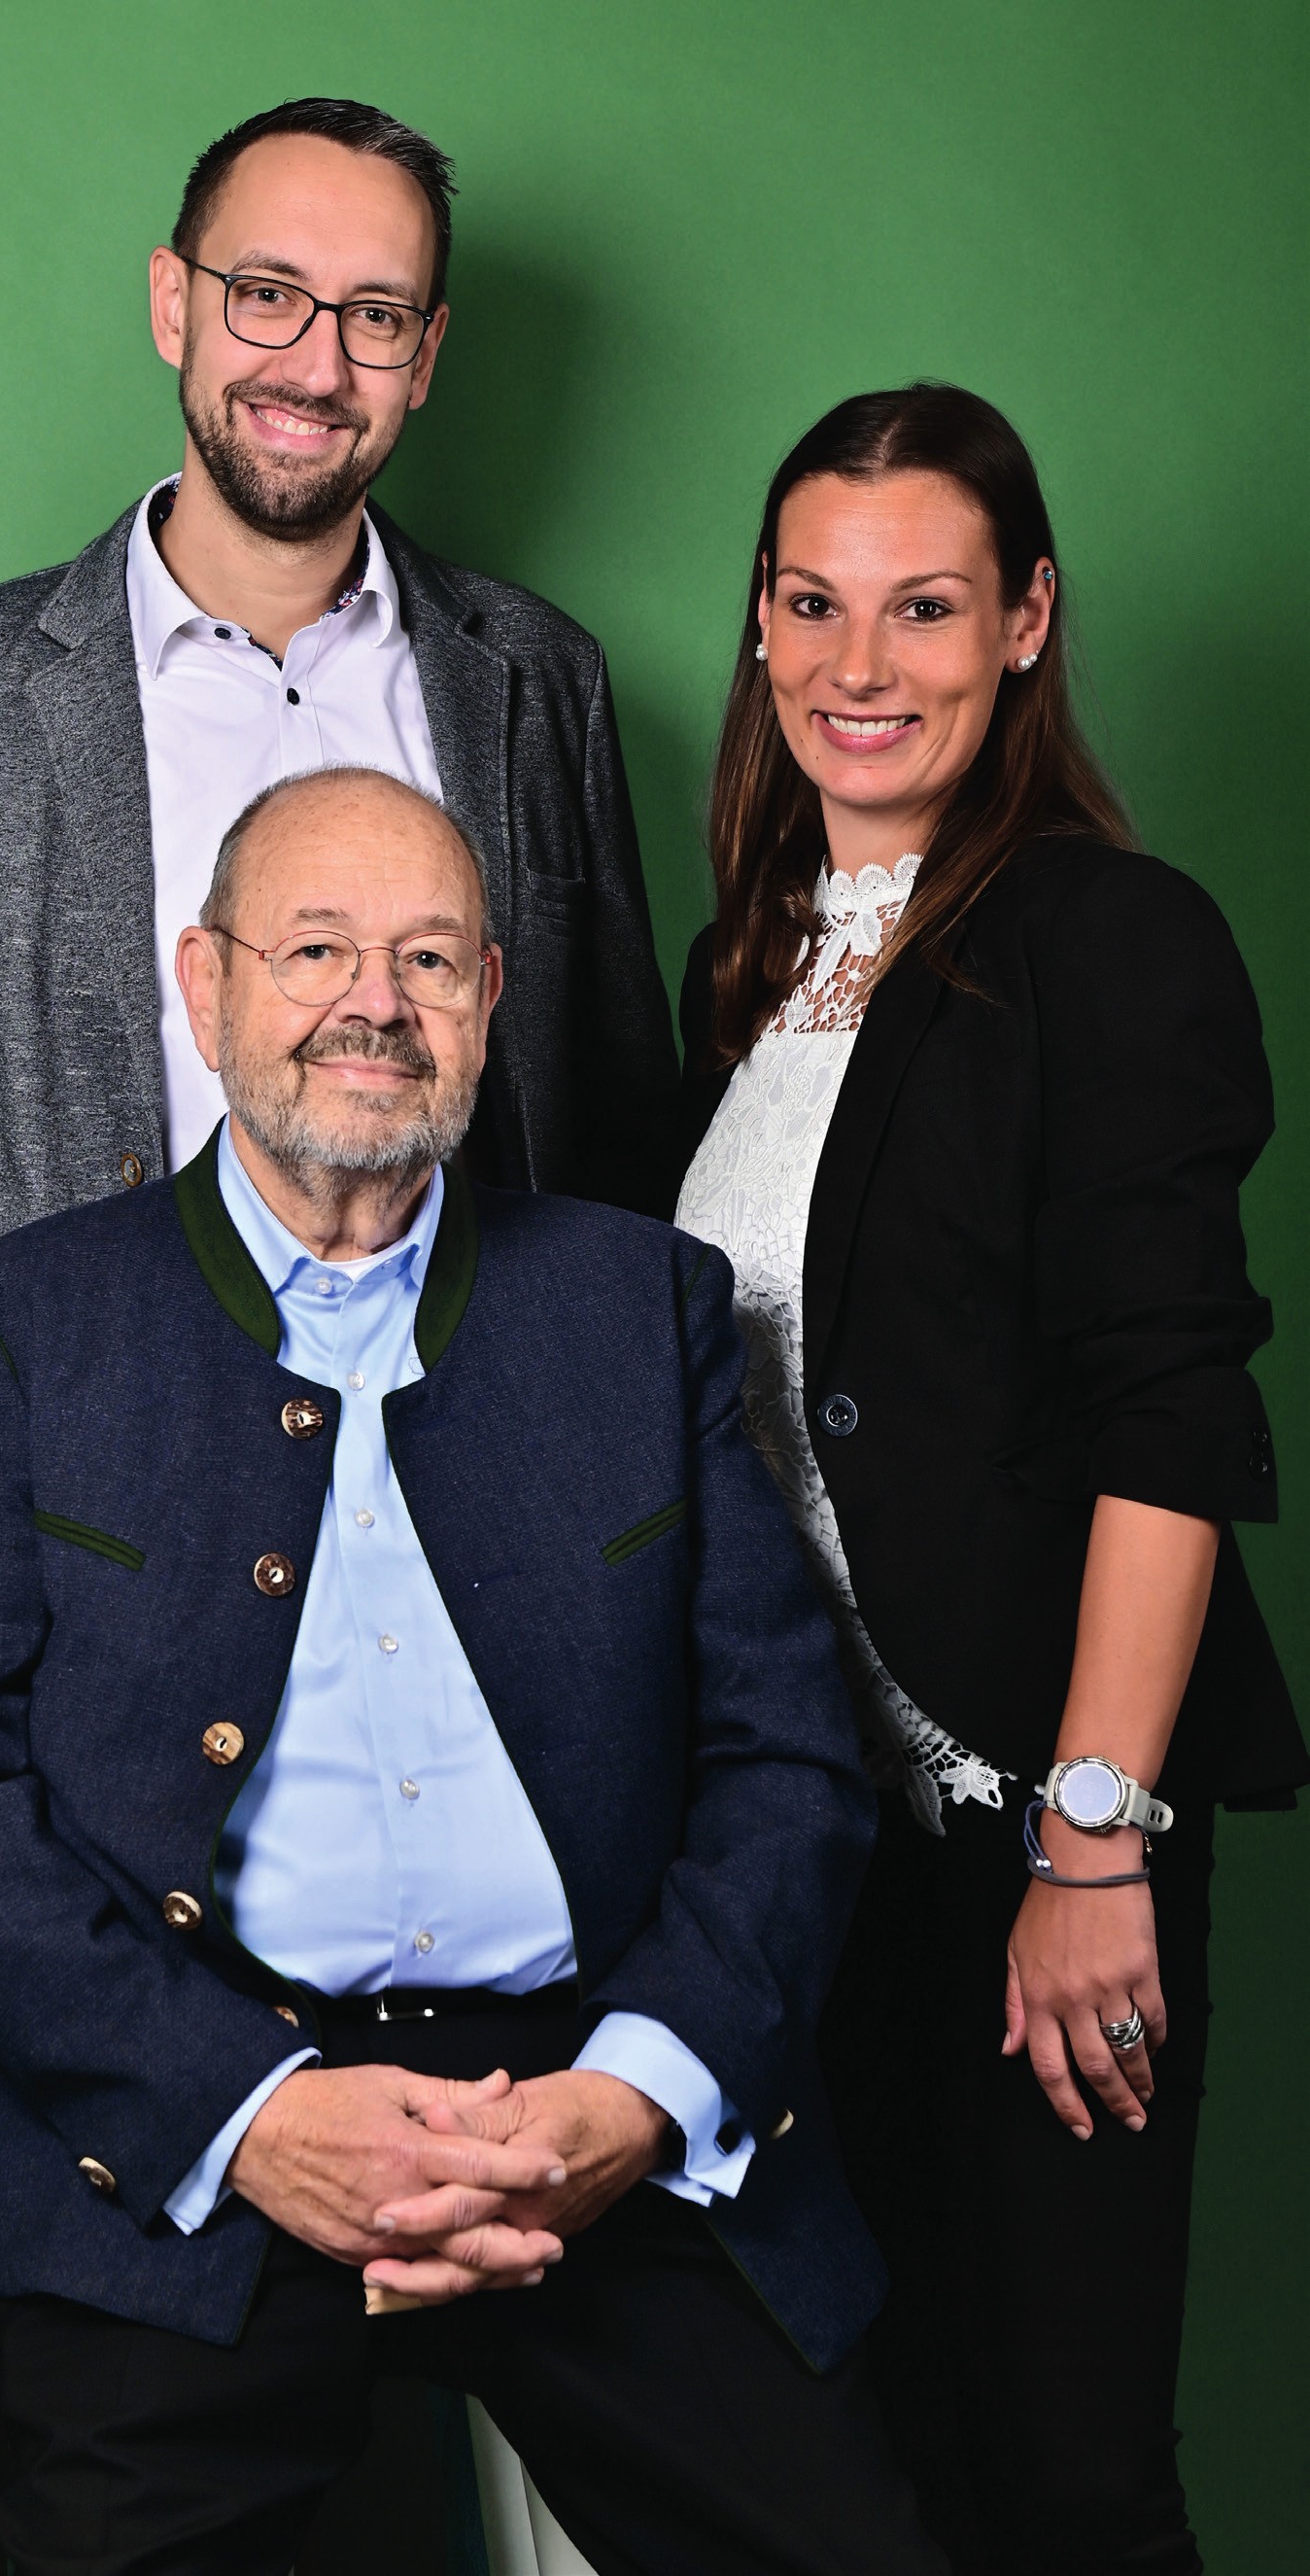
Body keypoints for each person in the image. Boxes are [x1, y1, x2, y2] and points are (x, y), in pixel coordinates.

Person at [0, 762, 947, 2576]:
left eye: (432, 959)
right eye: (319, 951)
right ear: (204, 987)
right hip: (201, 2100)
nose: (378, 999)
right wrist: (250, 2117)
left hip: (594, 2086)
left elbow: (789, 1761)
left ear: (490, 1006)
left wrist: (637, 2096)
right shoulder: (20, 1330)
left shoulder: (636, 1304)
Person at [674, 383, 1305, 2576]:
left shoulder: (1099, 938)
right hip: (816, 1852)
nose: (862, 664)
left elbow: (1166, 1421)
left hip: (1037, 1839)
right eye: (812, 603)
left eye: (923, 606)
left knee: (1063, 2474)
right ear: (754, 630)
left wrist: (1089, 1841)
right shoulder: (751, 962)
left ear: (1023, 621)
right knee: (888, 2461)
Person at [0, 95, 676, 1251]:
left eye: (373, 315)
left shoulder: (543, 679)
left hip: (470, 1399)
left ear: (423, 357)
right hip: (102, 1406)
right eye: (267, 296)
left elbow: (616, 1131)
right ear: (174, 304)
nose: (316, 368)